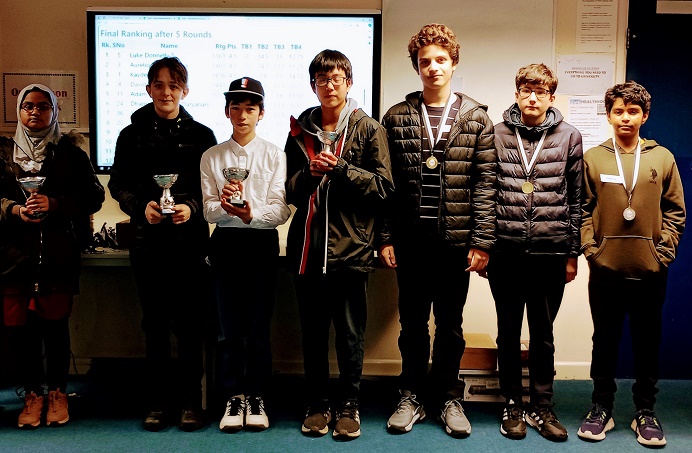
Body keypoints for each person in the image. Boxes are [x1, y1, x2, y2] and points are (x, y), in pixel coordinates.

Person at [379, 23, 497, 438]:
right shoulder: (395, 118)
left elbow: (486, 185)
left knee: (450, 326)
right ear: (416, 66)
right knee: (412, 325)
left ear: (453, 63)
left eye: (441, 60)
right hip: (411, 243)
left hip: (455, 244)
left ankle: (448, 396)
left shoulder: (477, 119)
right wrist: (386, 237)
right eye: (425, 61)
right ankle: (410, 395)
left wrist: (482, 241)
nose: (433, 68)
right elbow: (385, 185)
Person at [284, 49, 394, 440]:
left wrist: (342, 169)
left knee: (350, 334)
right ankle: (316, 404)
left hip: (351, 250)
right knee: (312, 333)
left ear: (349, 82)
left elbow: (384, 189)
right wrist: (310, 175)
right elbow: (291, 192)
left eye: (337, 79)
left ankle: (349, 405)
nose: (329, 86)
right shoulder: (300, 132)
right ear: (313, 85)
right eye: (321, 79)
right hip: (307, 249)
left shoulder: (368, 129)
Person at [108, 57, 217, 432]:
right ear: (148, 89)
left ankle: (190, 402)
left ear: (185, 89)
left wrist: (192, 207)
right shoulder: (130, 134)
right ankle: (157, 402)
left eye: (174, 85)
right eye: (159, 84)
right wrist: (142, 208)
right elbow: (117, 184)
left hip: (190, 244)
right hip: (147, 243)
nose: (166, 91)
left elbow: (213, 189)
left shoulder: (203, 135)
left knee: (190, 325)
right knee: (154, 324)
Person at [577, 81, 685, 447]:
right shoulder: (593, 157)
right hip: (605, 269)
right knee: (603, 342)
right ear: (608, 115)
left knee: (646, 342)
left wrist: (663, 252)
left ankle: (645, 412)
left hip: (650, 269)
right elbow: (582, 210)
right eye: (618, 111)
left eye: (633, 111)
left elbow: (675, 211)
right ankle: (600, 408)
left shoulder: (662, 157)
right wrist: (592, 250)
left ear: (645, 116)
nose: (625, 117)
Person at [0, 84, 105, 428]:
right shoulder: (2, 155)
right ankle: (32, 395)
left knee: (56, 329)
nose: (34, 112)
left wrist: (55, 204)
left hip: (56, 258)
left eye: (43, 106)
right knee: (24, 332)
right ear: (19, 111)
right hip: (15, 260)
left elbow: (93, 198)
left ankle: (58, 392)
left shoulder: (71, 154)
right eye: (28, 106)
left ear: (54, 111)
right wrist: (14, 210)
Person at [488, 63, 582, 442]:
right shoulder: (495, 135)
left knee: (543, 334)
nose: (532, 97)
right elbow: (486, 193)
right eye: (526, 90)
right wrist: (486, 247)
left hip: (550, 252)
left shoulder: (570, 137)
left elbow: (577, 199)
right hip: (506, 252)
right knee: (508, 332)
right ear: (516, 93)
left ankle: (542, 406)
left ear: (550, 97)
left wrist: (572, 253)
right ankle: (511, 402)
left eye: (540, 91)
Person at [200, 76, 291, 433]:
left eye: (250, 108)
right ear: (226, 111)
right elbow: (207, 211)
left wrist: (251, 214)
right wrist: (225, 208)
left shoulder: (274, 154)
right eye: (235, 107)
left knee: (257, 327)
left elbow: (281, 210)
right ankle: (232, 398)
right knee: (228, 329)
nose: (242, 114)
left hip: (260, 243)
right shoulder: (212, 156)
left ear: (261, 113)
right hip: (225, 243)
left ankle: (257, 397)